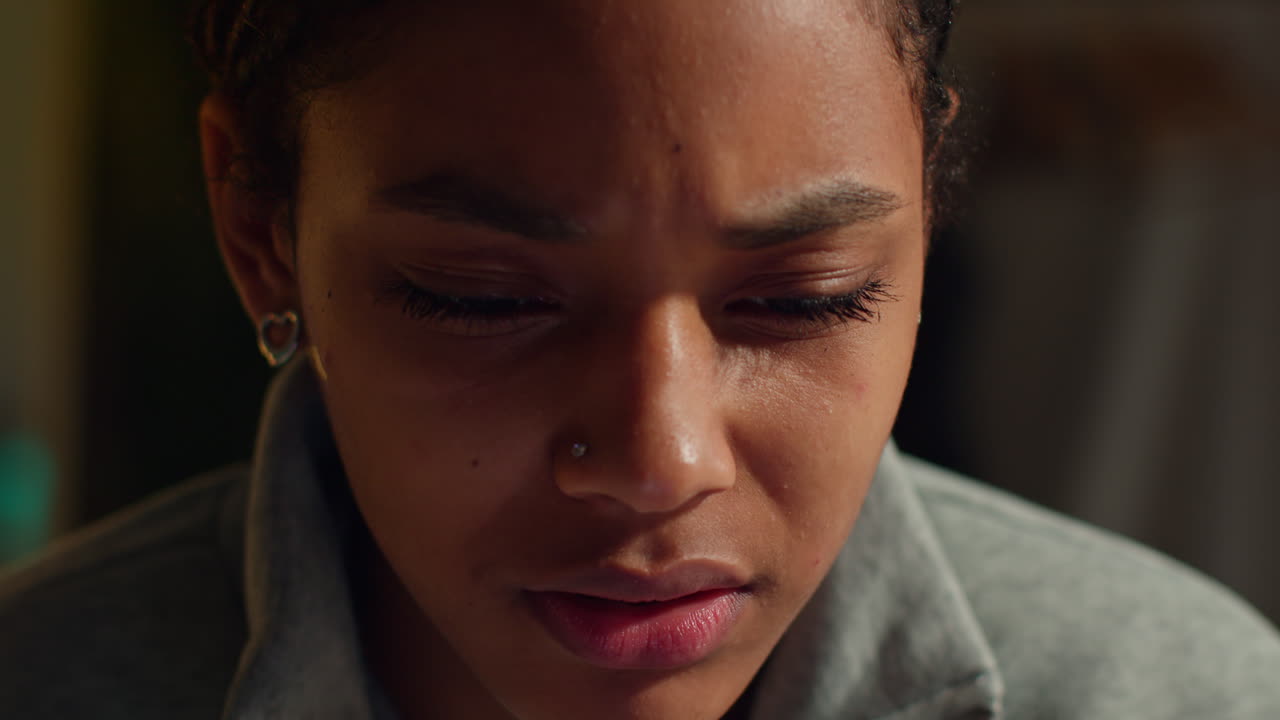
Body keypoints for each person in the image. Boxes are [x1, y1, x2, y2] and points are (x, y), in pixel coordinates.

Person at [2, 1, 1278, 718]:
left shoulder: (1173, 697)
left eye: (801, 299)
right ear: (258, 231)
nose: (660, 462)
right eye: (482, 300)